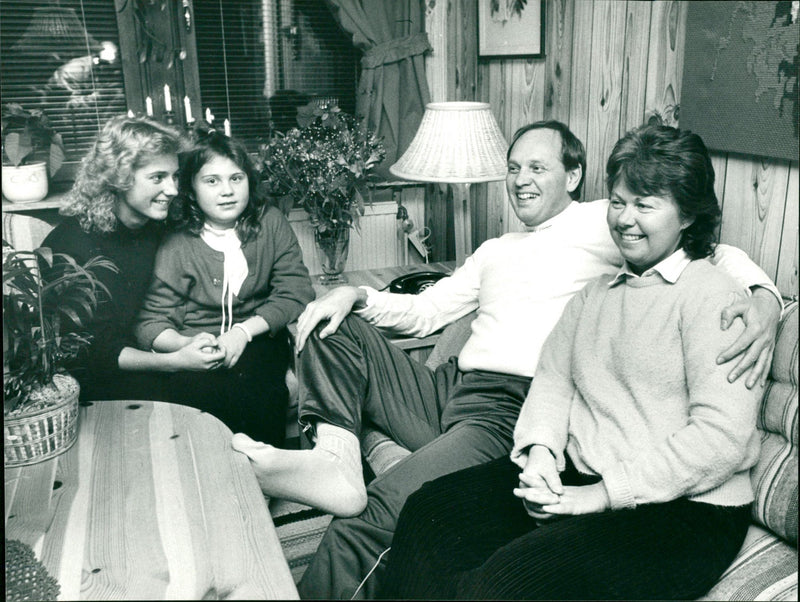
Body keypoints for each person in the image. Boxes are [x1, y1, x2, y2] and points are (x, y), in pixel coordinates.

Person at [231, 120, 782, 599]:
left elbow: (714, 257)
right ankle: (335, 456)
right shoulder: (507, 254)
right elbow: (433, 313)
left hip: (509, 413)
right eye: (513, 167)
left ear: (573, 176)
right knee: (332, 324)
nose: (521, 179)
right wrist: (354, 295)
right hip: (460, 388)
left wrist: (764, 299)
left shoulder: (607, 227)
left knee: (394, 513)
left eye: (537, 167)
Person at [379, 121, 765, 600]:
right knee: (426, 511)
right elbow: (553, 382)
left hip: (686, 510)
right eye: (619, 202)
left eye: (645, 205)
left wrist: (600, 496)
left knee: (501, 584)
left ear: (687, 215)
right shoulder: (595, 294)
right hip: (584, 473)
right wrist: (540, 455)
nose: (625, 219)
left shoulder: (716, 298)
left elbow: (721, 439)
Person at [134, 128, 314, 445]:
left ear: (249, 181)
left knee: (258, 386)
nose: (227, 191)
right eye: (212, 181)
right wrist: (183, 347)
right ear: (191, 187)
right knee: (200, 396)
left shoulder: (270, 222)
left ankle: (263, 480)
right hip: (192, 345)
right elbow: (151, 321)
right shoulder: (177, 240)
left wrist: (242, 333)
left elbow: (295, 290)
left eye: (236, 178)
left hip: (258, 337)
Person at [43, 115, 225, 402]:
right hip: (98, 379)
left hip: (150, 354)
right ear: (119, 178)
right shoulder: (72, 247)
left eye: (175, 175)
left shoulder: (157, 227)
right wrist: (176, 361)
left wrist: (190, 342)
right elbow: (94, 352)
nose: (173, 190)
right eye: (157, 178)